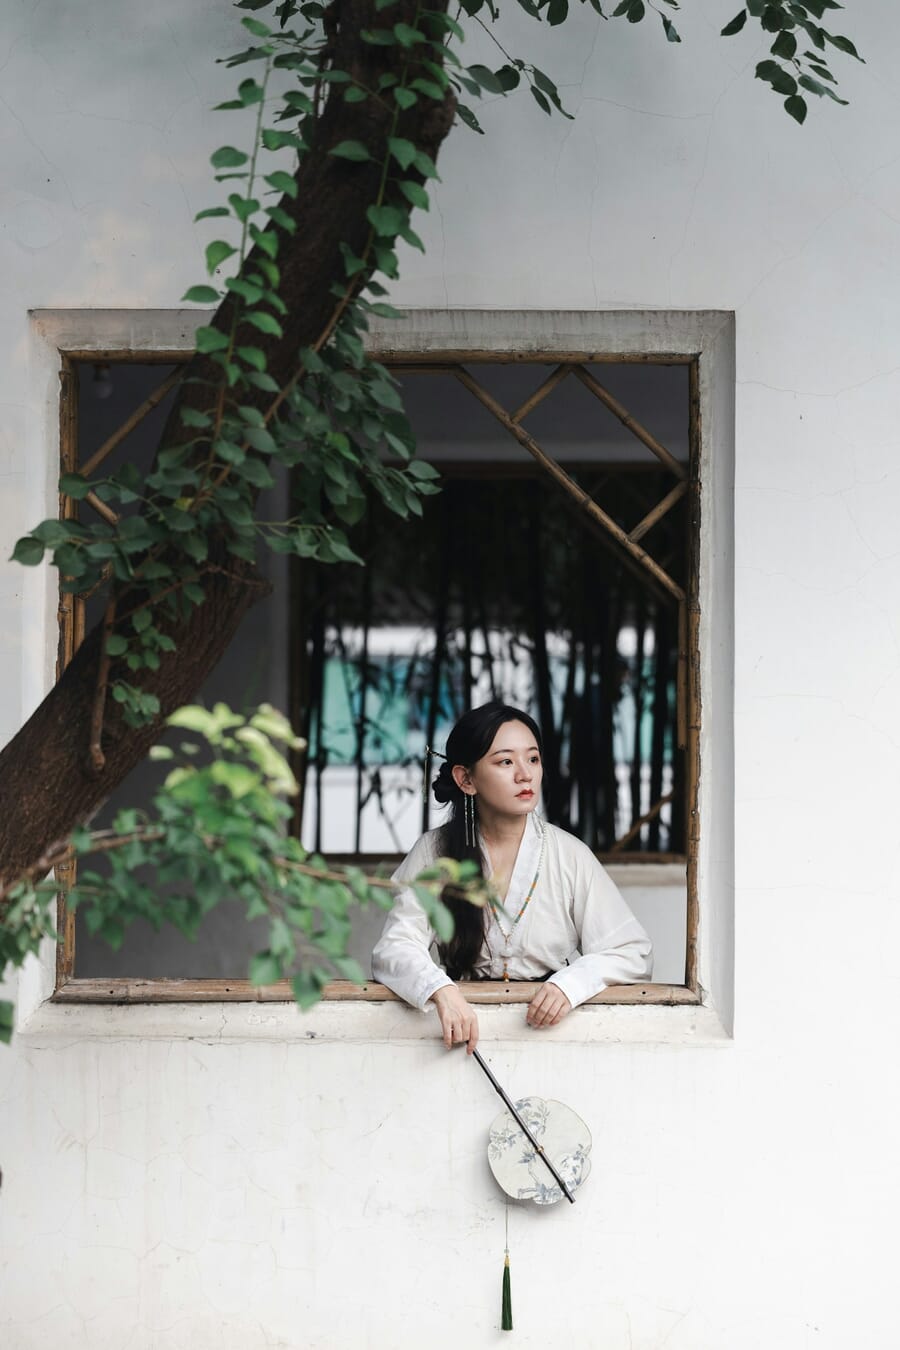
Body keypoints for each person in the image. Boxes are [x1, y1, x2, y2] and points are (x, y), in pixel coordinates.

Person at [372, 701, 653, 1053]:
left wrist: (570, 985)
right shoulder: (435, 853)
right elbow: (394, 947)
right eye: (506, 761)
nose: (525, 774)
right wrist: (440, 990)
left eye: (533, 759)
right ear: (466, 779)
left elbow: (632, 951)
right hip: (459, 1035)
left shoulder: (568, 854)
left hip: (552, 1034)